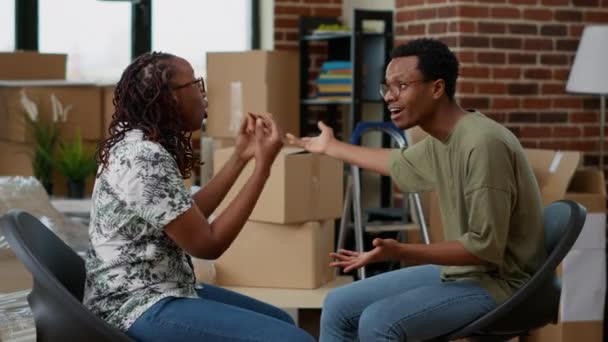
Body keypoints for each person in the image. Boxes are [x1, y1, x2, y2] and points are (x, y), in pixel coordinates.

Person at [287, 38, 547, 341]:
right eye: (386, 87)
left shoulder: (482, 144)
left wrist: (402, 250)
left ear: (437, 88)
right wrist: (331, 146)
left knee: (379, 321)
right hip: (463, 275)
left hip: (503, 284)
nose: (389, 97)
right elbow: (395, 162)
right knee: (338, 305)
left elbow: (484, 248)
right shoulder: (442, 140)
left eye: (401, 85)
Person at [84, 51, 315, 342]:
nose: (205, 94)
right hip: (135, 305)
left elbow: (189, 215)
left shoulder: (140, 145)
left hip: (162, 290)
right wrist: (263, 168)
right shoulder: (143, 158)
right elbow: (208, 244)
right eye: (195, 84)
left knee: (281, 321)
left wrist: (241, 156)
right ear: (169, 98)